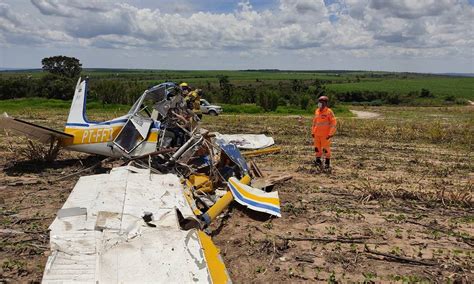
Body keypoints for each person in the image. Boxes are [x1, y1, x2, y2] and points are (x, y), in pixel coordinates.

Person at [311, 96, 337, 169]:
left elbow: (334, 123)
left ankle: (327, 162)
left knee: (326, 149)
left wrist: (331, 134)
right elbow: (314, 123)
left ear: (325, 103)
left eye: (322, 102)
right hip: (317, 134)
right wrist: (313, 132)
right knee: (317, 148)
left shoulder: (329, 112)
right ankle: (318, 160)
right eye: (319, 102)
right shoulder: (317, 111)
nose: (320, 103)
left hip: (325, 135)